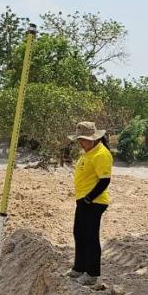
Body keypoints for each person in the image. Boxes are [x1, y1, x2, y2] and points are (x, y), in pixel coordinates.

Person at [66, 121, 113, 286]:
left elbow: (104, 181)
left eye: (84, 140)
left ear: (93, 139)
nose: (81, 143)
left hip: (94, 202)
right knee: (79, 233)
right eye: (79, 140)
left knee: (90, 237)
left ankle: (92, 274)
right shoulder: (89, 152)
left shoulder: (101, 154)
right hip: (84, 200)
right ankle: (79, 268)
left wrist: (89, 198)